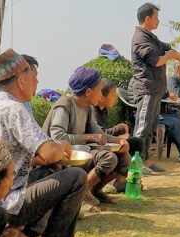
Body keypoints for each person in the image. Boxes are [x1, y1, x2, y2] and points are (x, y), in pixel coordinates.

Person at [0, 50, 85, 237]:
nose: (37, 83)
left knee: (47, 172)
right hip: (5, 206)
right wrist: (62, 146)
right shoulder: (14, 109)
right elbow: (50, 151)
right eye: (34, 78)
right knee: (76, 177)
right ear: (21, 81)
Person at [130, 3, 180, 173]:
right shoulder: (140, 39)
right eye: (156, 17)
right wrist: (169, 56)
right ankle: (135, 165)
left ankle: (147, 162)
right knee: (142, 128)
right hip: (147, 90)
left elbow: (173, 53)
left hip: (156, 90)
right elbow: (157, 61)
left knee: (150, 128)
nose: (159, 21)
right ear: (147, 18)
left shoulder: (152, 38)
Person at [43, 68, 124, 205]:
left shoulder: (87, 108)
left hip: (79, 152)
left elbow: (98, 133)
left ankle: (94, 190)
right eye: (99, 91)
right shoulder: (64, 105)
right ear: (88, 92)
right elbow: (58, 137)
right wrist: (88, 137)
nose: (100, 96)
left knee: (123, 156)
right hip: (61, 157)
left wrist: (120, 141)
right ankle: (79, 196)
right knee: (108, 158)